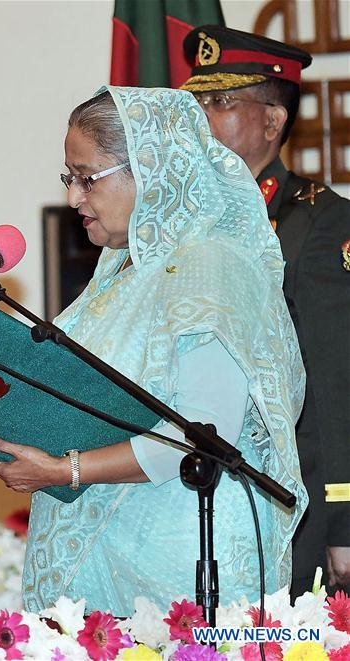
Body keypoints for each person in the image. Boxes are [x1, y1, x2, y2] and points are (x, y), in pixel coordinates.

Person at [0, 86, 308, 615]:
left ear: (148, 167)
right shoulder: (121, 269)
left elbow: (204, 433)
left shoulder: (206, 266)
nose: (74, 198)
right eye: (68, 178)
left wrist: (63, 470)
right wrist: (11, 441)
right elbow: (92, 404)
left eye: (86, 177)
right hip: (116, 557)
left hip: (182, 565)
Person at [180, 25, 350, 596]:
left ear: (273, 122)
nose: (202, 116)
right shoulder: (184, 229)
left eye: (221, 102)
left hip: (294, 504)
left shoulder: (322, 224)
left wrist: (344, 519)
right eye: (196, 102)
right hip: (200, 503)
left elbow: (337, 386)